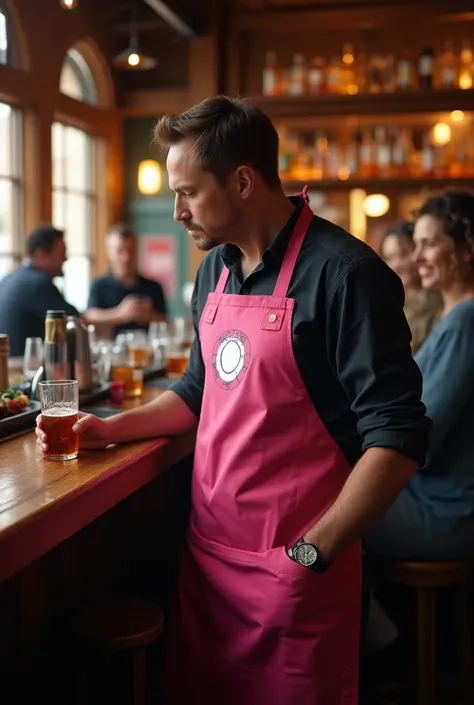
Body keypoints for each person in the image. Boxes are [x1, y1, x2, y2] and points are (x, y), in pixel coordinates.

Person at [36, 96, 430, 704]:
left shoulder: (346, 275)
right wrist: (111, 429)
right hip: (210, 556)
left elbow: (398, 436)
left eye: (188, 192)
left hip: (297, 566)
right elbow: (199, 390)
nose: (176, 211)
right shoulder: (213, 270)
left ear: (243, 181)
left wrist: (311, 552)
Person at [366, 190, 474, 561]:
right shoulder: (455, 316)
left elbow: (419, 440)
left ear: (466, 249)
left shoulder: (465, 321)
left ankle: (378, 623)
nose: (416, 258)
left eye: (428, 244)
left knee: (325, 515)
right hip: (426, 494)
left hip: (446, 510)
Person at [0, 224, 79, 356]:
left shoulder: (7, 279)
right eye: (62, 253)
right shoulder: (39, 284)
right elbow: (75, 322)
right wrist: (118, 315)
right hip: (24, 370)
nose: (66, 258)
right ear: (42, 255)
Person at [85, 223, 167, 338]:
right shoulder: (98, 285)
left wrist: (149, 316)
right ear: (109, 252)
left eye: (131, 250)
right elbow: (88, 318)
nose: (126, 257)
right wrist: (120, 314)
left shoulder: (154, 286)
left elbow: (166, 323)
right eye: (120, 251)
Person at [380, 220, 442, 354]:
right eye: (389, 258)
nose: (395, 265)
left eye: (402, 255)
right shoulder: (386, 304)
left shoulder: (439, 302)